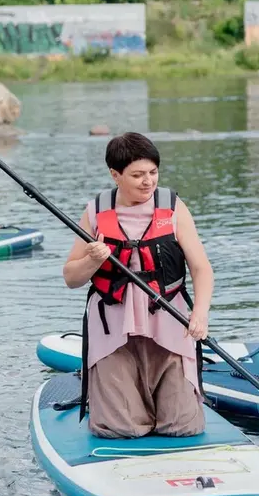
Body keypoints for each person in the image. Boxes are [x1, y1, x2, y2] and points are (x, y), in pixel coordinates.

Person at [62, 132, 214, 439]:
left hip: (169, 322)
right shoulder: (95, 212)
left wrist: (200, 313)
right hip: (113, 329)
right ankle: (109, 397)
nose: (148, 181)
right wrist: (92, 260)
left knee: (183, 426)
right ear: (115, 175)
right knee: (120, 429)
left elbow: (201, 268)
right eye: (137, 175)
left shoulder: (173, 208)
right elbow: (71, 278)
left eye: (153, 173)